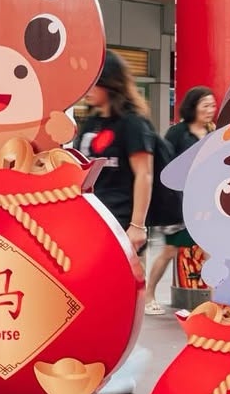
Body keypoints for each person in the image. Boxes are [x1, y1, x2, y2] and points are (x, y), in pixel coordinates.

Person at [143, 86, 217, 315]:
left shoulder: (211, 132)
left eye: (212, 105)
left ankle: (217, 302)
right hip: (178, 204)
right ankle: (149, 295)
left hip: (203, 205)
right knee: (170, 251)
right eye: (205, 105)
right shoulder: (177, 134)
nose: (210, 110)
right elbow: (166, 167)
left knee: (208, 251)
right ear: (193, 107)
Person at [76, 50, 154, 256]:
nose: (88, 89)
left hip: (121, 222)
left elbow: (144, 174)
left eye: (94, 82)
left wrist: (138, 226)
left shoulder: (133, 123)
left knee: (122, 286)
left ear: (110, 82)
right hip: (90, 221)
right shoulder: (91, 123)